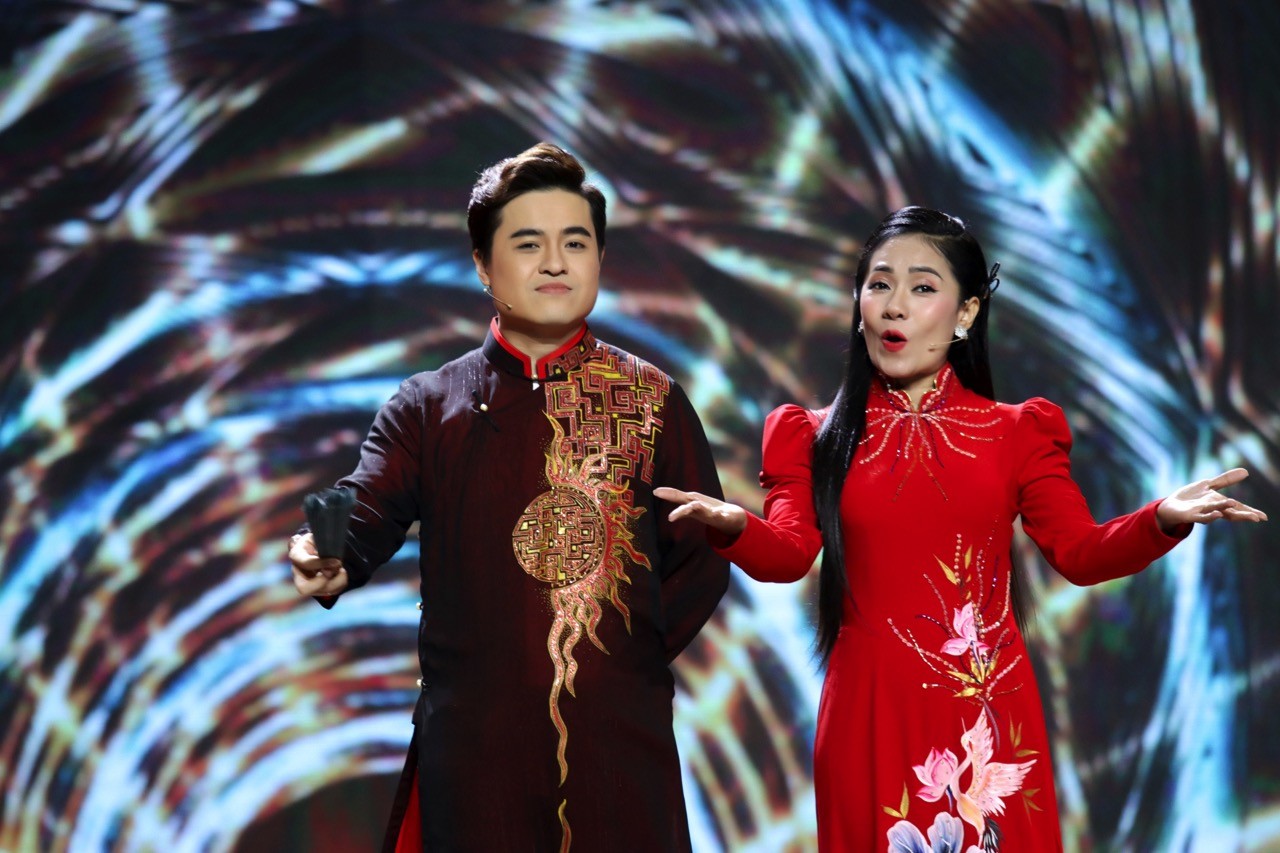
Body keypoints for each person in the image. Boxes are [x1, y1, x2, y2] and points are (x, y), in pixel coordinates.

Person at [655, 206, 1266, 851]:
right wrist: (734, 526)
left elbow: (1081, 553)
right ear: (858, 303)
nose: (894, 306)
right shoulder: (810, 435)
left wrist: (1161, 518)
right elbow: (787, 554)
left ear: (966, 313)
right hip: (870, 713)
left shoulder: (1018, 432)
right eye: (879, 284)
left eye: (922, 287)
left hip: (987, 718)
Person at [289, 142, 729, 852]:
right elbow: (364, 507)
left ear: (600, 258)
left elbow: (701, 558)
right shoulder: (428, 407)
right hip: (475, 753)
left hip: (620, 749)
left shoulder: (652, 400)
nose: (555, 263)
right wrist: (327, 554)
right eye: (528, 244)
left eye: (575, 243)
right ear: (482, 265)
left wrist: (618, 661)